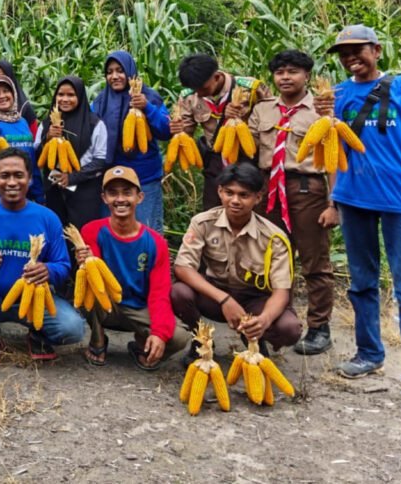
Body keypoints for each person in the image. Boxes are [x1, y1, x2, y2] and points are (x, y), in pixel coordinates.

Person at [315, 25, 401, 418]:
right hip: (354, 199)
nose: (351, 58)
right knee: (362, 282)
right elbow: (332, 153)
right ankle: (369, 353)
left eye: (358, 50)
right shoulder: (337, 95)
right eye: (343, 53)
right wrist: (334, 199)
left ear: (377, 50)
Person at [0, 148, 85, 365]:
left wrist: (48, 270)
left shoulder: (48, 218)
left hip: (36, 299)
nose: (12, 182)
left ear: (30, 178)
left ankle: (37, 336)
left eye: (18, 175)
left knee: (73, 328)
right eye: (4, 176)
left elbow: (63, 265)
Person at [247, 50, 338, 355]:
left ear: (307, 76)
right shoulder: (263, 110)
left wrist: (333, 204)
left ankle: (319, 327)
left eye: (293, 71)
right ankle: (273, 322)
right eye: (280, 72)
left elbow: (334, 161)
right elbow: (247, 148)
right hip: (267, 190)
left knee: (315, 261)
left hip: (306, 189)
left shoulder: (322, 111)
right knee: (267, 259)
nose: (285, 77)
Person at [171, 163, 302, 356]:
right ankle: (200, 339)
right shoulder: (203, 223)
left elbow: (281, 292)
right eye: (229, 193)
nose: (235, 200)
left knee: (289, 328)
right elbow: (183, 267)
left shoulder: (273, 237)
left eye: (244, 195)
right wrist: (225, 300)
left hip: (254, 299)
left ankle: (254, 337)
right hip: (215, 295)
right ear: (219, 192)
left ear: (258, 197)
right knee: (178, 292)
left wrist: (264, 320)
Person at [79, 167, 190, 369]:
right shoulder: (92, 230)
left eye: (127, 193)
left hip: (139, 307)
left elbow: (159, 292)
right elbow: (94, 278)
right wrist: (84, 262)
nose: (120, 199)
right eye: (113, 193)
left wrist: (159, 333)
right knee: (86, 283)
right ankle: (97, 338)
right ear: (104, 198)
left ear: (139, 197)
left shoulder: (155, 242)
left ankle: (141, 345)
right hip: (106, 304)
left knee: (179, 337)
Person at [171, 54, 270, 210]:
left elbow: (271, 117)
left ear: (217, 77)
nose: (199, 94)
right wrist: (177, 130)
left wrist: (239, 121)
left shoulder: (251, 88)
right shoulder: (189, 96)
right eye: (195, 90)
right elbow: (186, 131)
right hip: (215, 160)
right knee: (213, 208)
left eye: (203, 89)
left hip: (248, 157)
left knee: (248, 207)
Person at [92, 51, 171, 232]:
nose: (114, 76)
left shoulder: (150, 97)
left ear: (130, 71)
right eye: (109, 72)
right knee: (113, 233)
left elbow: (166, 131)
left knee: (147, 231)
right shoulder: (100, 102)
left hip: (144, 178)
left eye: (120, 71)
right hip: (111, 178)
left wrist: (147, 107)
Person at [36, 75, 108, 230]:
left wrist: (73, 177)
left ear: (80, 97)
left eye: (71, 95)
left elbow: (100, 160)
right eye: (61, 94)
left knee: (83, 234)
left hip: (85, 192)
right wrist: (47, 138)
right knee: (57, 233)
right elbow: (37, 156)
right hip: (54, 191)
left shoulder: (95, 124)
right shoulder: (46, 124)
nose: (65, 99)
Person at [0, 75, 44, 203]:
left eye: (6, 91)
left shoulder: (22, 121)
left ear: (13, 94)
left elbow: (31, 158)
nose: (2, 96)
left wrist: (39, 194)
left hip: (24, 187)